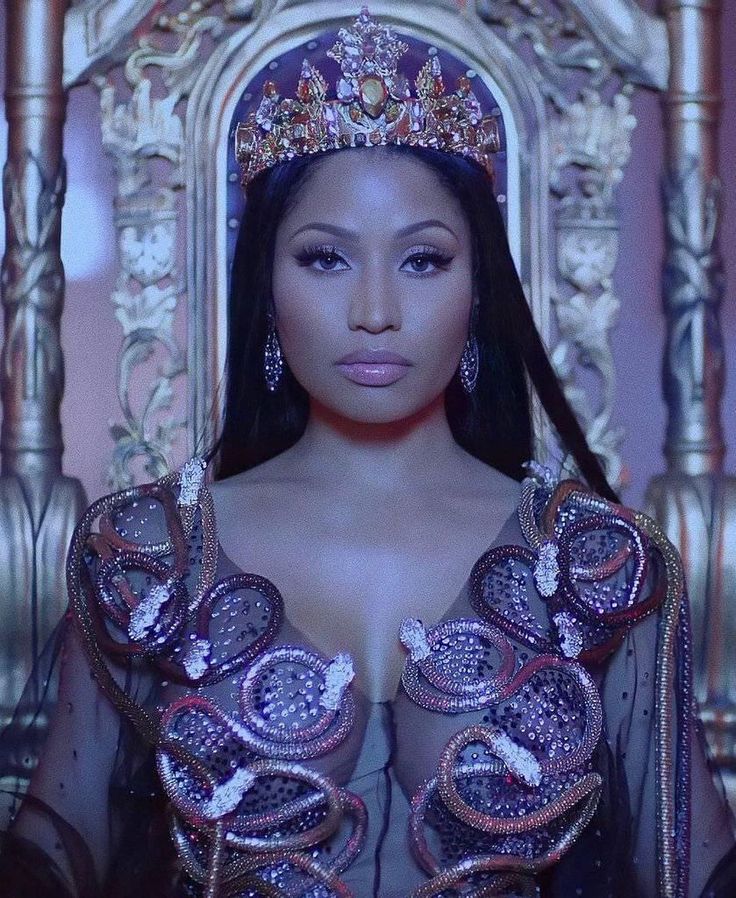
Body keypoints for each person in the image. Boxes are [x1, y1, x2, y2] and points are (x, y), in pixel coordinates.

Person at [1, 8, 735, 897]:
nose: (376, 311)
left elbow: (689, 867)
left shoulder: (594, 562)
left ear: (478, 289)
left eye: (423, 261)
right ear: (266, 290)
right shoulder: (150, 556)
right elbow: (58, 847)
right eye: (325, 260)